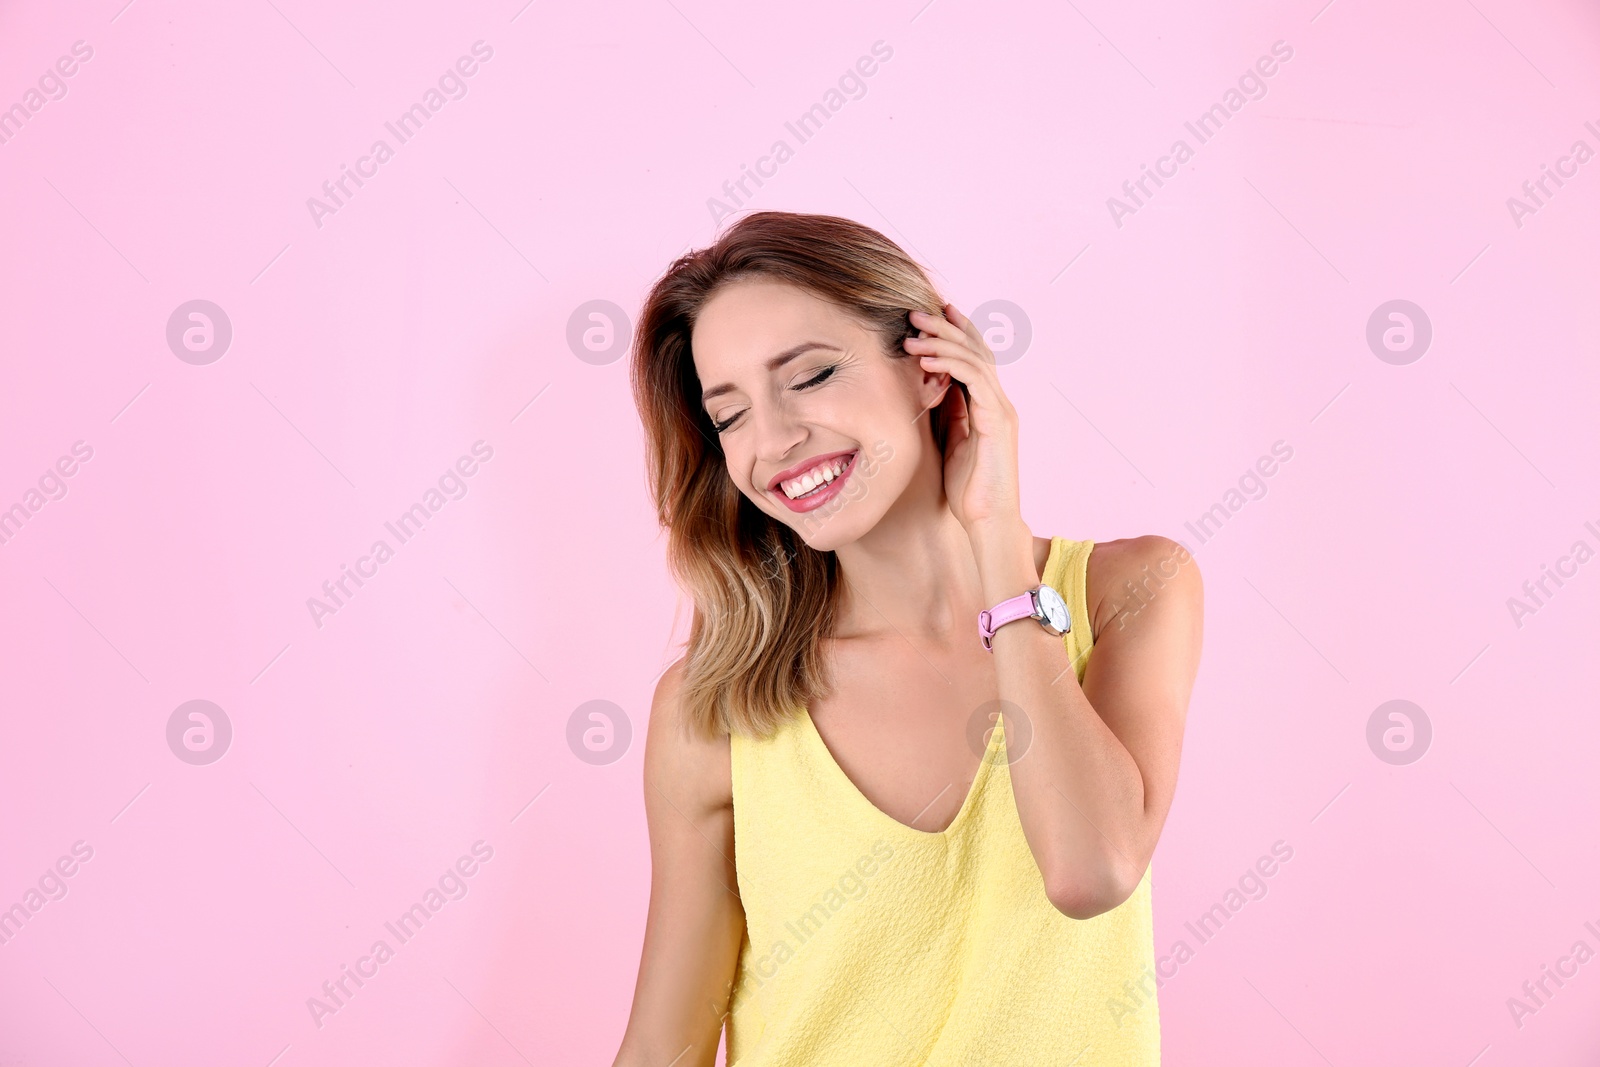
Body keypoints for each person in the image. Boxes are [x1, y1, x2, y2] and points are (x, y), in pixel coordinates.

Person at [613, 210, 1202, 1066]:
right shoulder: (717, 705)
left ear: (932, 368)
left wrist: (996, 533)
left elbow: (1092, 871)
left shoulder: (1129, 591)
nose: (773, 441)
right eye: (730, 416)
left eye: (810, 376)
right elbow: (666, 1045)